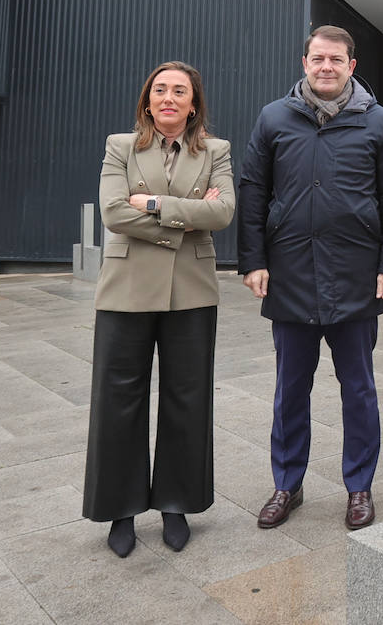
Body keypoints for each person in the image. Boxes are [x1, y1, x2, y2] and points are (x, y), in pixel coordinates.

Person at [237, 25, 383, 531]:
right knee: (290, 388)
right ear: (305, 62)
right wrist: (253, 260)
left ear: (352, 65)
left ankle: (359, 487)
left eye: (336, 59)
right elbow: (252, 191)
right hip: (289, 274)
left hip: (355, 276)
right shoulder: (275, 118)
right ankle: (287, 484)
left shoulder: (377, 122)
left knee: (357, 388)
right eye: (318, 58)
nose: (326, 67)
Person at [83, 61, 235, 558]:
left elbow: (222, 213)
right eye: (160, 90)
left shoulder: (216, 151)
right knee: (118, 399)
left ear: (194, 104)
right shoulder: (119, 147)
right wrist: (184, 219)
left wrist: (149, 204)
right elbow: (111, 212)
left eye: (180, 91)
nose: (169, 98)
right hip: (125, 291)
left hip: (191, 292)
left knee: (187, 399)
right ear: (148, 100)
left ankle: (176, 503)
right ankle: (120, 510)